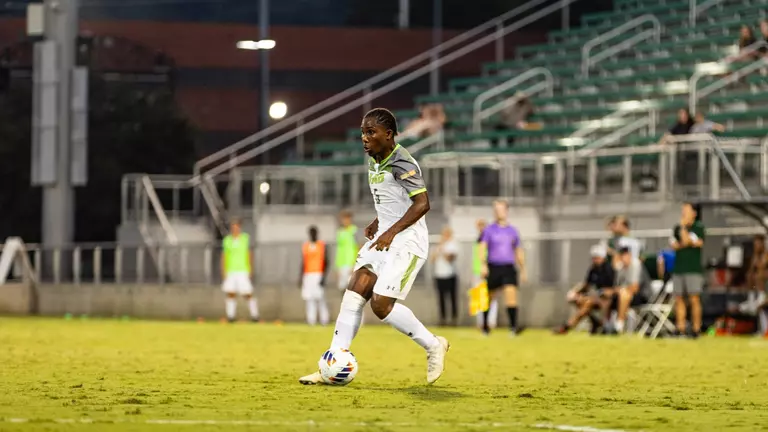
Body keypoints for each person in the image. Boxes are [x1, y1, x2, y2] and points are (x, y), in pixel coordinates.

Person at [299, 108, 449, 385]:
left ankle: (433, 345)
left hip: (408, 241)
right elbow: (395, 200)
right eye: (362, 133)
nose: (364, 139)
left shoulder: (403, 162)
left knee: (380, 305)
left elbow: (422, 203)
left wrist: (390, 231)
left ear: (389, 135)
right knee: (354, 294)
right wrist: (378, 221)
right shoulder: (375, 160)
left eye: (371, 132)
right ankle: (332, 366)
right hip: (385, 235)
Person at [480, 199, 527, 336]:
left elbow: (518, 250)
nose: (499, 212)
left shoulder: (513, 231)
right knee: (489, 297)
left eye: (501, 209)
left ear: (506, 211)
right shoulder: (489, 230)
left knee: (511, 296)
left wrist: (523, 269)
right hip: (494, 266)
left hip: (508, 267)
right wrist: (483, 265)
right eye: (496, 209)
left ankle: (513, 327)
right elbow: (482, 248)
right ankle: (485, 326)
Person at [555, 244, 615, 334]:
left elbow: (611, 289)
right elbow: (586, 285)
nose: (595, 260)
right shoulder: (593, 269)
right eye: (593, 258)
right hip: (597, 297)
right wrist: (575, 292)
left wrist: (597, 294)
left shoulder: (609, 269)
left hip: (607, 299)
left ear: (602, 257)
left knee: (587, 303)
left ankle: (568, 326)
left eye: (597, 257)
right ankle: (596, 322)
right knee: (579, 301)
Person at [670, 202, 706, 338]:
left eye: (686, 209)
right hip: (679, 268)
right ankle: (680, 328)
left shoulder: (698, 227)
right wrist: (685, 242)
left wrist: (684, 229)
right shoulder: (676, 228)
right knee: (678, 298)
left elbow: (687, 241)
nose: (683, 212)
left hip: (693, 269)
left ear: (694, 212)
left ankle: (696, 329)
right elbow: (674, 245)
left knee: (694, 298)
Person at [220, 219, 260, 323]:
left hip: (242, 270)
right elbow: (224, 256)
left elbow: (249, 254)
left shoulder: (245, 239)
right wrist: (223, 270)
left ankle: (255, 315)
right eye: (233, 227)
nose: (235, 229)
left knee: (247, 293)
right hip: (231, 270)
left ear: (240, 228)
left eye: (237, 227)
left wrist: (250, 268)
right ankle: (230, 316)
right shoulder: (227, 240)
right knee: (230, 293)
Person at [613, 247, 651, 333]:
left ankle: (619, 326)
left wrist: (620, 290)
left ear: (629, 255)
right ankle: (606, 325)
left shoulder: (636, 265)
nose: (623, 258)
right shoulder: (620, 267)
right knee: (606, 297)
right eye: (621, 256)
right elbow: (617, 286)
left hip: (642, 295)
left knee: (624, 294)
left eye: (625, 256)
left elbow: (635, 288)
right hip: (624, 295)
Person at [301, 226, 330, 326]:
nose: (312, 235)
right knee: (309, 298)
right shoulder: (306, 245)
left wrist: (324, 276)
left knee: (320, 298)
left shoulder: (322, 245)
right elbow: (303, 262)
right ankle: (311, 320)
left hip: (318, 273)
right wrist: (301, 277)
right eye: (311, 233)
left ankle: (324, 320)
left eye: (314, 233)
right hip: (308, 274)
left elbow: (327, 262)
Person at [472, 219, 498, 329]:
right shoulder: (478, 239)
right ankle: (481, 322)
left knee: (490, 297)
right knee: (478, 297)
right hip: (477, 272)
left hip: (486, 271)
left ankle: (491, 321)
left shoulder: (488, 240)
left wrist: (486, 268)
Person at [431, 226, 459, 326]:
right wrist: (439, 247)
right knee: (441, 298)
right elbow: (432, 259)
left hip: (450, 275)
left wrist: (443, 249)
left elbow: (450, 258)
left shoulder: (453, 245)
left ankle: (453, 319)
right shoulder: (437, 246)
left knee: (452, 298)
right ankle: (442, 319)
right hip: (439, 275)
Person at [335, 210, 359, 292]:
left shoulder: (354, 230)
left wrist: (355, 263)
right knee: (342, 287)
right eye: (343, 219)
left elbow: (358, 246)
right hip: (342, 263)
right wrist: (337, 267)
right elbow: (339, 250)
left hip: (351, 262)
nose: (345, 221)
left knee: (351, 287)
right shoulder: (340, 232)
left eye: (347, 218)